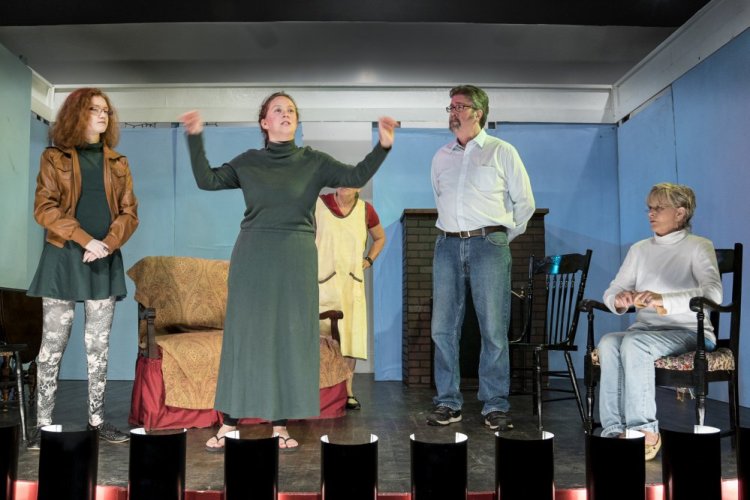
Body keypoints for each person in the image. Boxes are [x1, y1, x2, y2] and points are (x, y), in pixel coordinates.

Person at [180, 92, 396, 452]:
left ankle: (279, 424)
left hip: (296, 256)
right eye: (277, 110)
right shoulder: (249, 161)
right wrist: (195, 137)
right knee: (245, 336)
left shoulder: (313, 161)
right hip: (253, 253)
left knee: (288, 338)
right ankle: (229, 421)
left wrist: (383, 146)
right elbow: (207, 180)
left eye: (291, 110)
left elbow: (354, 174)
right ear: (264, 122)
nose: (286, 114)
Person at [26, 88, 139, 449]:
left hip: (103, 260)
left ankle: (97, 422)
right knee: (52, 348)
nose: (102, 116)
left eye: (106, 110)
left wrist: (106, 244)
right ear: (77, 115)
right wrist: (85, 240)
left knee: (98, 348)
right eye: (94, 110)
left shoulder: (118, 163)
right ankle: (43, 425)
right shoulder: (53, 157)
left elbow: (129, 214)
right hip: (63, 258)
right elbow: (44, 208)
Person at [427, 85, 535, 430]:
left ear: (478, 112)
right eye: (450, 106)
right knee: (442, 328)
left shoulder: (502, 151)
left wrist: (500, 237)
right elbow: (438, 197)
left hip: (488, 243)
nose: (453, 112)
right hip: (446, 245)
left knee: (493, 328)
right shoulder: (441, 156)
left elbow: (525, 204)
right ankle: (448, 402)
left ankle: (494, 404)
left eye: (460, 106)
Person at [597, 182, 721, 460]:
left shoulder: (699, 247)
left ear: (680, 212)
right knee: (607, 342)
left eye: (658, 208)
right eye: (649, 209)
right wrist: (620, 299)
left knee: (634, 344)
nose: (651, 214)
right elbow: (612, 290)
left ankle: (645, 431)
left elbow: (713, 293)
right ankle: (615, 430)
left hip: (690, 330)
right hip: (647, 331)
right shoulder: (640, 250)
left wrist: (662, 299)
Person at [315, 187, 386, 410]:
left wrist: (369, 260)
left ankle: (347, 392)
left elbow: (380, 238)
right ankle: (316, 390)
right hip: (321, 282)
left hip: (351, 284)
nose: (346, 184)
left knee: (350, 337)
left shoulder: (366, 210)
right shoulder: (317, 204)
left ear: (360, 186)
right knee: (318, 334)